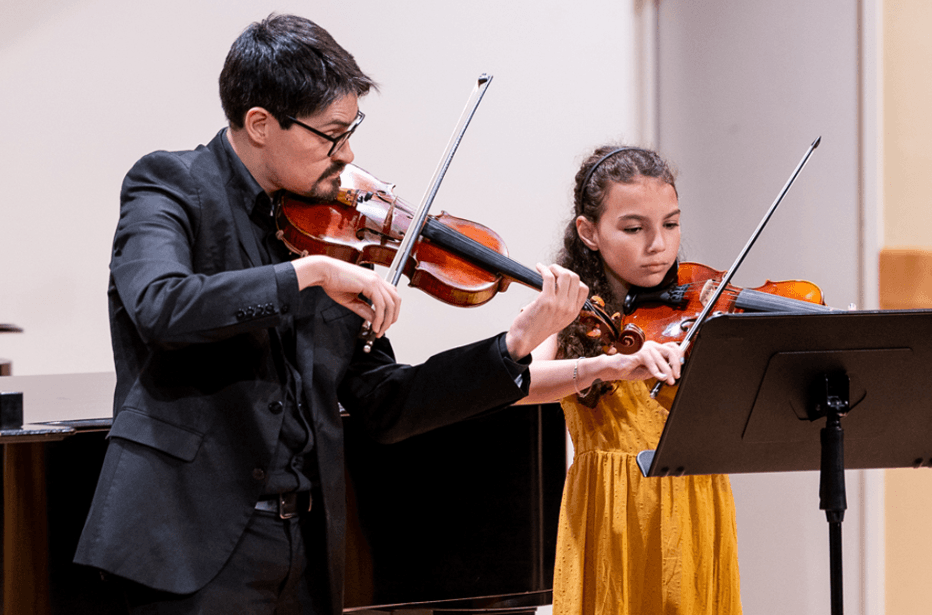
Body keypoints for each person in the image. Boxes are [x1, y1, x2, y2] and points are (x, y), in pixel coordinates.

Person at [73, 13, 589, 615]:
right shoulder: (171, 185)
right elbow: (160, 306)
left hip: (303, 554)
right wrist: (308, 275)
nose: (346, 154)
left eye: (350, 131)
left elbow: (385, 404)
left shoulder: (333, 233)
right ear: (260, 124)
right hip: (183, 550)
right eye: (330, 135)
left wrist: (512, 347)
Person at [517, 146, 742, 614]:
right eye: (634, 228)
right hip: (609, 511)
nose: (658, 244)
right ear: (589, 232)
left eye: (671, 224)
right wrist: (604, 365)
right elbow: (519, 384)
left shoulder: (698, 311)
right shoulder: (568, 311)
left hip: (694, 501)